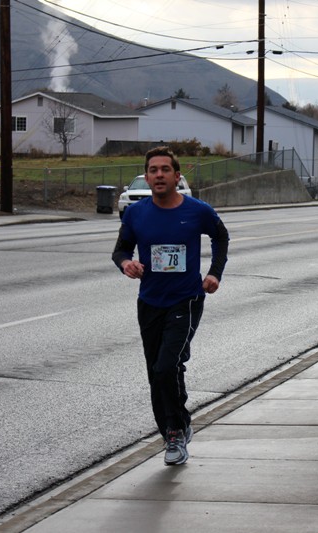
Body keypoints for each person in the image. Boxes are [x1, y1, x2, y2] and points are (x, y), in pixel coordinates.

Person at [112, 146, 229, 466]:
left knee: (167, 366)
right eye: (153, 170)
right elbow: (120, 250)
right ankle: (172, 429)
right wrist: (126, 264)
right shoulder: (136, 213)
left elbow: (221, 237)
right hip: (149, 301)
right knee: (158, 372)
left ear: (177, 176)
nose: (159, 174)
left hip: (186, 299)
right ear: (147, 176)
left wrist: (214, 273)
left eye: (165, 169)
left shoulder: (197, 210)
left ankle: (175, 433)